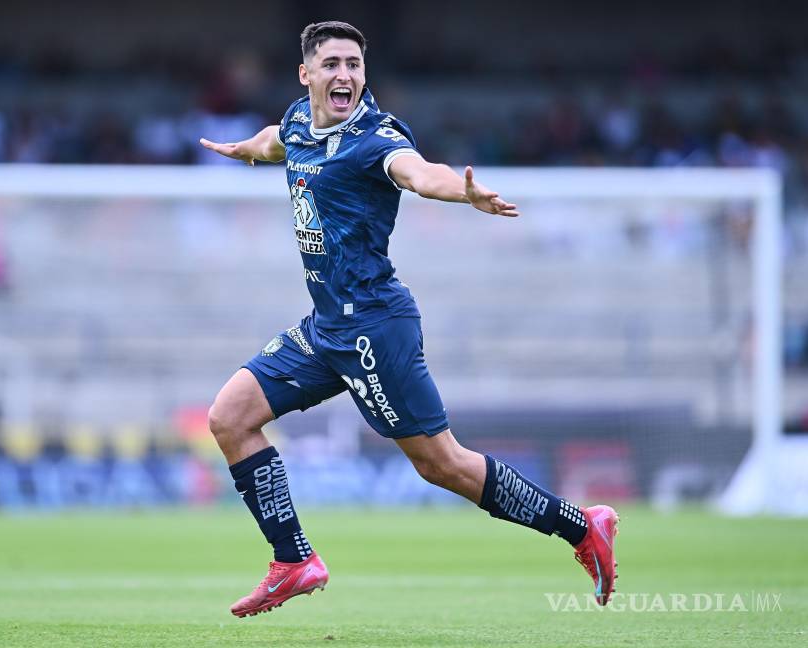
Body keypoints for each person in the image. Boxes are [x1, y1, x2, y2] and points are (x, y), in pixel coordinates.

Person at [200, 21, 619, 618]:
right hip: (325, 327)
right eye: (332, 64)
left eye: (354, 64)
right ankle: (293, 560)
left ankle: (581, 526)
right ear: (306, 74)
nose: (345, 74)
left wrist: (463, 192)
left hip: (374, 327)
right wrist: (245, 149)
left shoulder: (376, 137)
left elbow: (419, 172)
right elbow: (277, 142)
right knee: (230, 417)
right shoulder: (297, 122)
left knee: (442, 465)